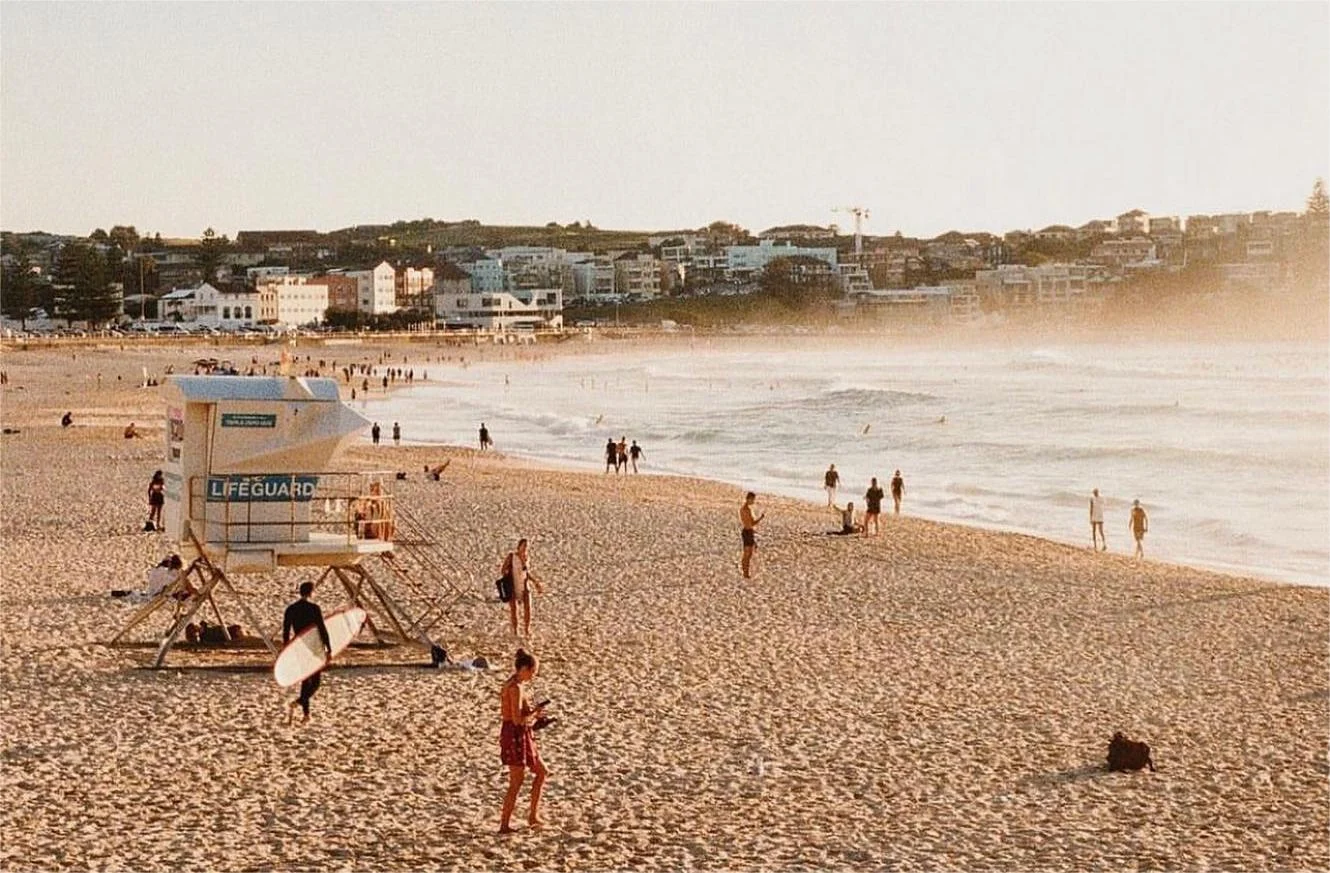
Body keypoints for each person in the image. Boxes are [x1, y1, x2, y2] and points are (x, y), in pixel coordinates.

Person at [498, 648, 549, 834]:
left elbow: (521, 714)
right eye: (533, 671)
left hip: (521, 733)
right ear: (525, 668)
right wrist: (533, 714)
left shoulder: (515, 684)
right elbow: (516, 719)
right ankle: (504, 824)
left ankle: (533, 816)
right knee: (516, 781)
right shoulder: (515, 688)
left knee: (542, 772)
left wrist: (534, 714)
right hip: (515, 735)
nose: (533, 675)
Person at [283, 582, 331, 726]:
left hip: (299, 647)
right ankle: (298, 703)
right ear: (311, 592)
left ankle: (306, 715)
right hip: (313, 646)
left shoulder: (290, 609)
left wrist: (286, 648)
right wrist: (329, 647)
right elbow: (322, 629)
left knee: (306, 679)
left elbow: (286, 631)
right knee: (315, 682)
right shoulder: (314, 608)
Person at [502, 538, 544, 638]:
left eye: (526, 546)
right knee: (514, 610)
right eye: (523, 545)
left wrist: (535, 582)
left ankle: (526, 629)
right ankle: (515, 630)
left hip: (524, 585)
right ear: (519, 546)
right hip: (513, 584)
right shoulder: (512, 556)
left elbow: (526, 573)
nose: (525, 548)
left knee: (528, 608)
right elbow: (503, 569)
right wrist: (507, 572)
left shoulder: (526, 558)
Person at [740, 492, 765, 579]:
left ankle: (745, 572)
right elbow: (752, 523)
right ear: (748, 499)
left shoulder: (743, 509)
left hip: (747, 531)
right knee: (747, 554)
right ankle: (745, 573)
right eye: (752, 499)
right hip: (748, 532)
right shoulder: (746, 510)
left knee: (748, 554)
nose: (753, 501)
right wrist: (760, 518)